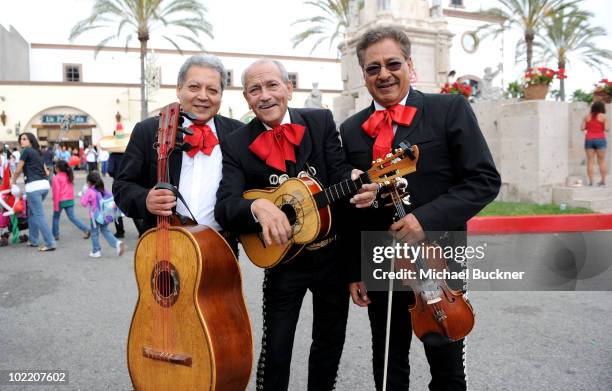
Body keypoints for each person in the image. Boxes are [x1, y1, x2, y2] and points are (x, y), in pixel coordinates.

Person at [338, 27, 501, 391]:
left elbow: (483, 181)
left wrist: (423, 220)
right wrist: (354, 270)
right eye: (372, 67)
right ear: (363, 74)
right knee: (387, 364)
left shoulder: (449, 109)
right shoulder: (350, 130)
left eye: (392, 63)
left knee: (446, 365)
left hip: (437, 261)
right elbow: (350, 209)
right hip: (378, 261)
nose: (384, 74)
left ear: (409, 65)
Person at [214, 59, 377, 391]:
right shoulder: (235, 143)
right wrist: (256, 206)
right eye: (254, 89)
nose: (265, 96)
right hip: (283, 262)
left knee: (329, 345)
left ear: (289, 87)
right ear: (246, 98)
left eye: (272, 85)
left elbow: (339, 170)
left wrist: (354, 179)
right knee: (276, 349)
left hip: (331, 257)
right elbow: (225, 206)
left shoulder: (319, 121)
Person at [113, 54, 244, 244]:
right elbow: (122, 187)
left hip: (222, 250)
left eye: (212, 90)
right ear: (178, 89)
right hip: (163, 250)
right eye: (194, 87)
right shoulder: (148, 130)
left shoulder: (237, 133)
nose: (203, 96)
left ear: (221, 95)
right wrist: (145, 199)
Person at [10, 132, 57, 251]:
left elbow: (18, 169)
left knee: (38, 215)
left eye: (24, 139)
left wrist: (13, 181)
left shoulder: (25, 151)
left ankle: (50, 242)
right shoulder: (38, 152)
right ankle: (33, 240)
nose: (22, 141)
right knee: (32, 212)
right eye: (21, 139)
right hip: (44, 186)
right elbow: (46, 172)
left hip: (33, 187)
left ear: (31, 140)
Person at [80, 171, 124, 258]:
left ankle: (96, 251)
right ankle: (117, 243)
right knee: (105, 230)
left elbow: (83, 203)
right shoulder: (103, 189)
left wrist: (83, 194)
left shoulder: (90, 191)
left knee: (94, 233)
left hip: (95, 216)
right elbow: (111, 197)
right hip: (105, 215)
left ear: (89, 182)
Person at [51, 160, 91, 241]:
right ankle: (86, 229)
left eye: (55, 167)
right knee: (73, 217)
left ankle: (55, 234)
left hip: (60, 200)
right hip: (70, 199)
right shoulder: (68, 176)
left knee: (55, 217)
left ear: (58, 169)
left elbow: (56, 192)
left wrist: (55, 205)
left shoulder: (56, 178)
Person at [581, 101, 608, 186]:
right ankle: (603, 181)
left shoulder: (586, 116)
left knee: (590, 161)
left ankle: (591, 182)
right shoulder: (604, 117)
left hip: (589, 139)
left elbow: (582, 128)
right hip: (600, 139)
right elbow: (607, 129)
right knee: (602, 161)